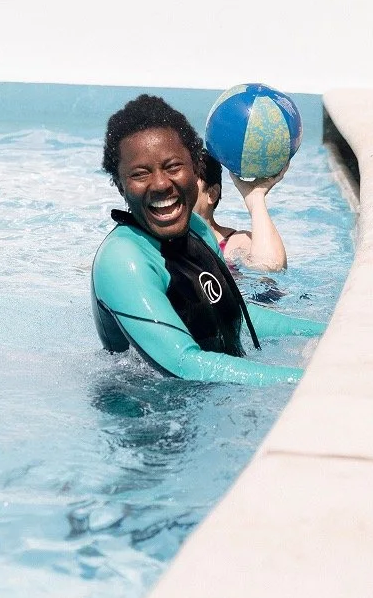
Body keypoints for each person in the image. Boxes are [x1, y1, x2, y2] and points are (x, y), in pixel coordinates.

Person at [90, 94, 324, 387]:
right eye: (140, 174)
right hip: (149, 421)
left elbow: (233, 318)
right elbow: (183, 364)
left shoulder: (198, 231)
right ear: (120, 185)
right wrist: (315, 381)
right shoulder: (124, 260)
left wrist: (328, 331)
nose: (161, 184)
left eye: (173, 167)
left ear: (195, 169)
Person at [194, 151, 288, 272]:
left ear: (211, 194)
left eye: (189, 182)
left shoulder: (233, 244)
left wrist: (255, 198)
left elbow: (270, 266)